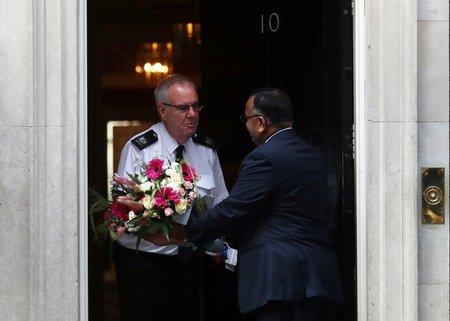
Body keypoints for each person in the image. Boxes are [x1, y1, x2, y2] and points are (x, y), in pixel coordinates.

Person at [185, 87, 344, 321]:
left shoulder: (264, 157)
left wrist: (189, 231)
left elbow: (234, 209)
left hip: (279, 280)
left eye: (246, 119)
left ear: (260, 122)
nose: (245, 125)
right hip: (317, 276)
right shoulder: (311, 154)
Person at [113, 73, 229, 321]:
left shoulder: (206, 150)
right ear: (162, 110)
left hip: (186, 264)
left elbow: (220, 204)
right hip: (142, 264)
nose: (193, 114)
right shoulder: (139, 149)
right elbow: (124, 212)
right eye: (183, 108)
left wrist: (218, 247)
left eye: (196, 106)